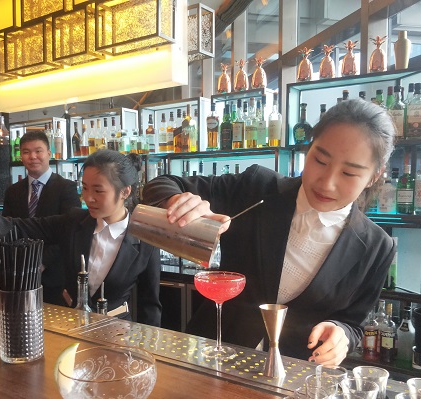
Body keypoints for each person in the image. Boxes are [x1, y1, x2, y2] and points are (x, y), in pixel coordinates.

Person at [143, 99, 396, 365]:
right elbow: (162, 183)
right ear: (308, 149)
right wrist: (178, 202)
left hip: (295, 373)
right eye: (320, 160)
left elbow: (352, 323)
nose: (327, 183)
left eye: (349, 173)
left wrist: (341, 334)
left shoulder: (377, 247)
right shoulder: (257, 188)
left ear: (374, 176)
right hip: (212, 354)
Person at [0, 150, 161, 326]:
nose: (88, 198)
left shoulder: (145, 239)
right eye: (85, 188)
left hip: (117, 330)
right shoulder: (74, 221)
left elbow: (149, 304)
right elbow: (20, 226)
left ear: (125, 192)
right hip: (69, 322)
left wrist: (150, 349)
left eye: (98, 190)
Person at [3, 130, 81, 305]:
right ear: (21, 156)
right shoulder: (13, 191)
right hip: (21, 275)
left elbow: (70, 231)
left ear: (49, 154)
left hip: (56, 276)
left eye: (38, 151)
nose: (32, 157)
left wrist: (41, 261)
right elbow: (7, 228)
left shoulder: (66, 188)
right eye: (26, 152)